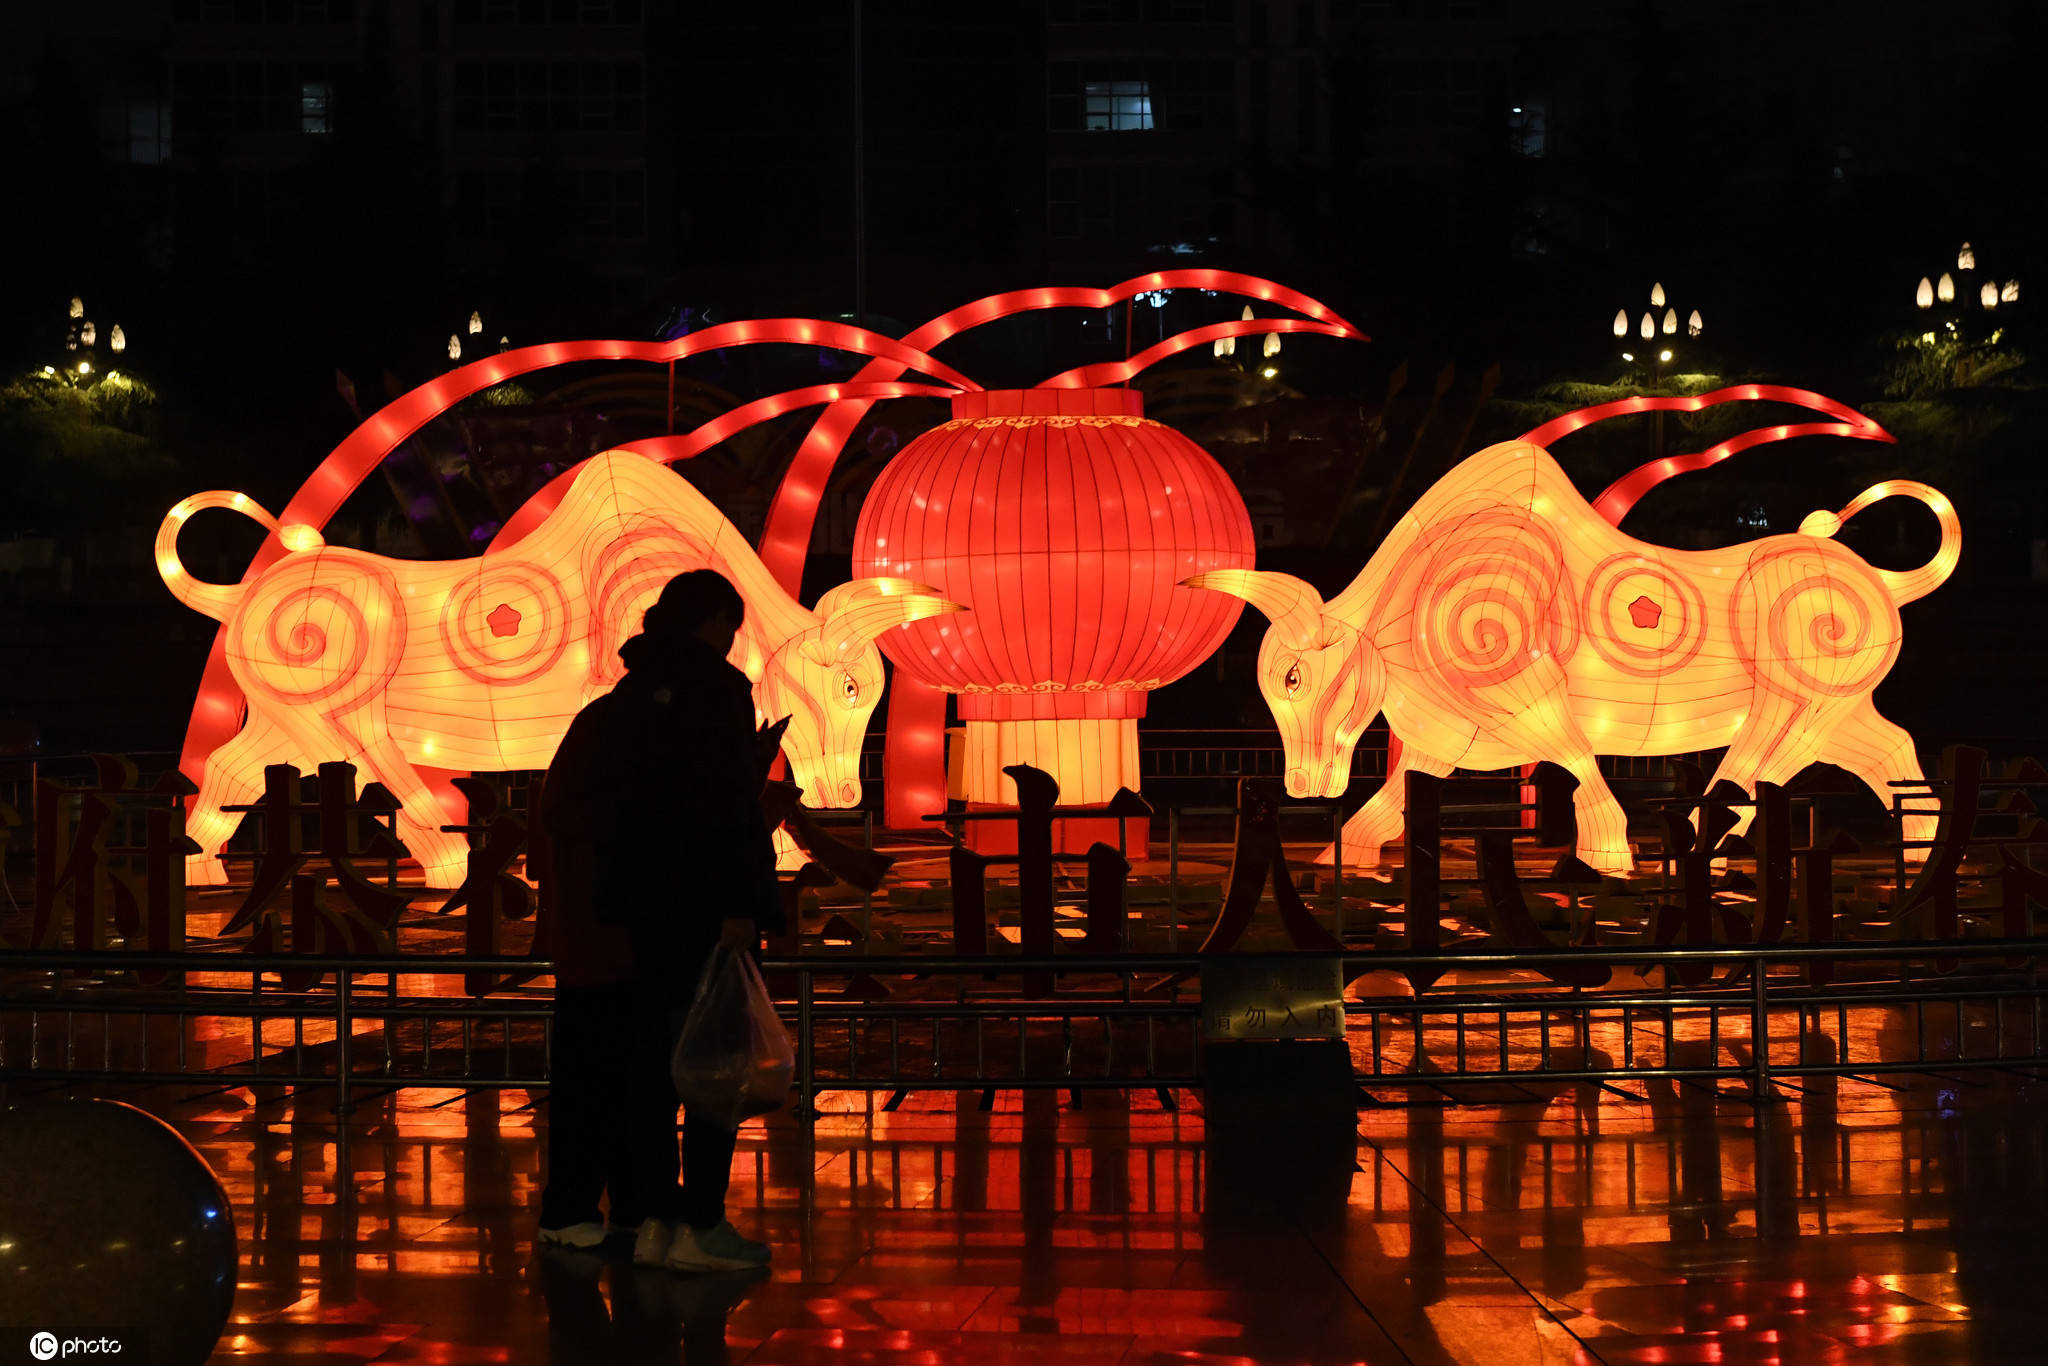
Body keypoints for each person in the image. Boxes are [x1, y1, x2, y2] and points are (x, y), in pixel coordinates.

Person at [537, 569, 785, 1272]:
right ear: (714, 623)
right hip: (703, 907)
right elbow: (723, 809)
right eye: (730, 628)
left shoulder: (626, 699)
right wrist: (743, 903)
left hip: (635, 911)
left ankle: (651, 1215)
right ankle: (700, 1222)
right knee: (714, 1063)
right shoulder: (717, 690)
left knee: (648, 1073)